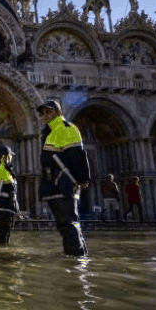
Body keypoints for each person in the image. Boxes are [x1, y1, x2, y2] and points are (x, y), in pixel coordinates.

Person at [36, 100, 90, 256]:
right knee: (66, 225)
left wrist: (82, 179)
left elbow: (78, 156)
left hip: (64, 184)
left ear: (58, 112)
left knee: (68, 225)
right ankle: (80, 259)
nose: (45, 115)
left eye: (49, 112)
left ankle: (75, 264)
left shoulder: (67, 128)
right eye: (43, 113)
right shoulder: (49, 132)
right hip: (54, 185)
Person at [0, 146, 19, 245]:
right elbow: (12, 191)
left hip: (0, 206)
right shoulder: (5, 169)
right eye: (10, 155)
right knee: (6, 232)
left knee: (2, 231)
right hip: (8, 206)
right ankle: (4, 254)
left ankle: (1, 254)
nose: (11, 157)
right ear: (6, 156)